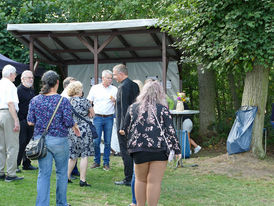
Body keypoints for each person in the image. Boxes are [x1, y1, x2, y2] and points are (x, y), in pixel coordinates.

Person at [123, 80, 181, 206]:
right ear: (160, 93)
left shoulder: (133, 108)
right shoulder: (163, 109)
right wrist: (177, 150)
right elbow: (170, 130)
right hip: (159, 149)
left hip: (139, 149)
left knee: (140, 179)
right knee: (154, 182)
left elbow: (125, 128)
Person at [27, 70, 80, 206]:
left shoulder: (35, 100)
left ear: (44, 83)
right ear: (57, 83)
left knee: (44, 174)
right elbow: (68, 122)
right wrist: (74, 125)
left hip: (41, 141)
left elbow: (30, 122)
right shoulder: (63, 101)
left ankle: (42, 204)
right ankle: (61, 203)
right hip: (59, 140)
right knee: (62, 173)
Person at [113, 64, 139, 186]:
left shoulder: (123, 87)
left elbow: (124, 109)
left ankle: (128, 178)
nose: (114, 77)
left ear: (121, 74)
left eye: (114, 74)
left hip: (124, 125)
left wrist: (123, 126)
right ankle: (135, 175)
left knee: (126, 152)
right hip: (134, 123)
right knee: (134, 150)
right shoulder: (135, 85)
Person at [87, 70, 117, 171]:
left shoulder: (114, 89)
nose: (110, 80)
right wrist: (90, 112)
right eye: (108, 78)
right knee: (96, 141)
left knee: (108, 142)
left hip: (109, 117)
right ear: (103, 78)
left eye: (111, 78)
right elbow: (89, 101)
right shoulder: (95, 88)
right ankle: (96, 161)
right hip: (98, 117)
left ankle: (106, 162)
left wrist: (115, 101)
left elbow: (118, 104)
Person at [66, 81, 95, 187]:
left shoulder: (68, 101)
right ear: (79, 90)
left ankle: (67, 177)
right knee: (84, 155)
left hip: (72, 129)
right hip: (84, 130)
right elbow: (93, 114)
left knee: (72, 155)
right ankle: (82, 180)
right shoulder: (86, 102)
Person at [0, 64, 24, 182]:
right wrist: (16, 120)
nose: (16, 76)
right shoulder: (10, 86)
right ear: (11, 74)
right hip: (8, 114)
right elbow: (10, 104)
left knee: (1, 146)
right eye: (15, 74)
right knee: (13, 146)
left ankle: (0, 171)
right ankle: (11, 173)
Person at [16, 70, 37, 172]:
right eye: (29, 78)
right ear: (22, 79)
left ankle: (27, 164)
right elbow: (15, 106)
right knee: (21, 143)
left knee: (29, 143)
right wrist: (19, 120)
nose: (31, 79)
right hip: (22, 120)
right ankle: (16, 165)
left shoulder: (31, 91)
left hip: (31, 121)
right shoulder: (18, 90)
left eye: (32, 78)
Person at [61, 76, 80, 178]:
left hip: (72, 125)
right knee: (69, 149)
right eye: (73, 84)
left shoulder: (70, 96)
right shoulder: (65, 97)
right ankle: (69, 171)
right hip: (68, 126)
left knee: (74, 148)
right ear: (67, 85)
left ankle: (74, 169)